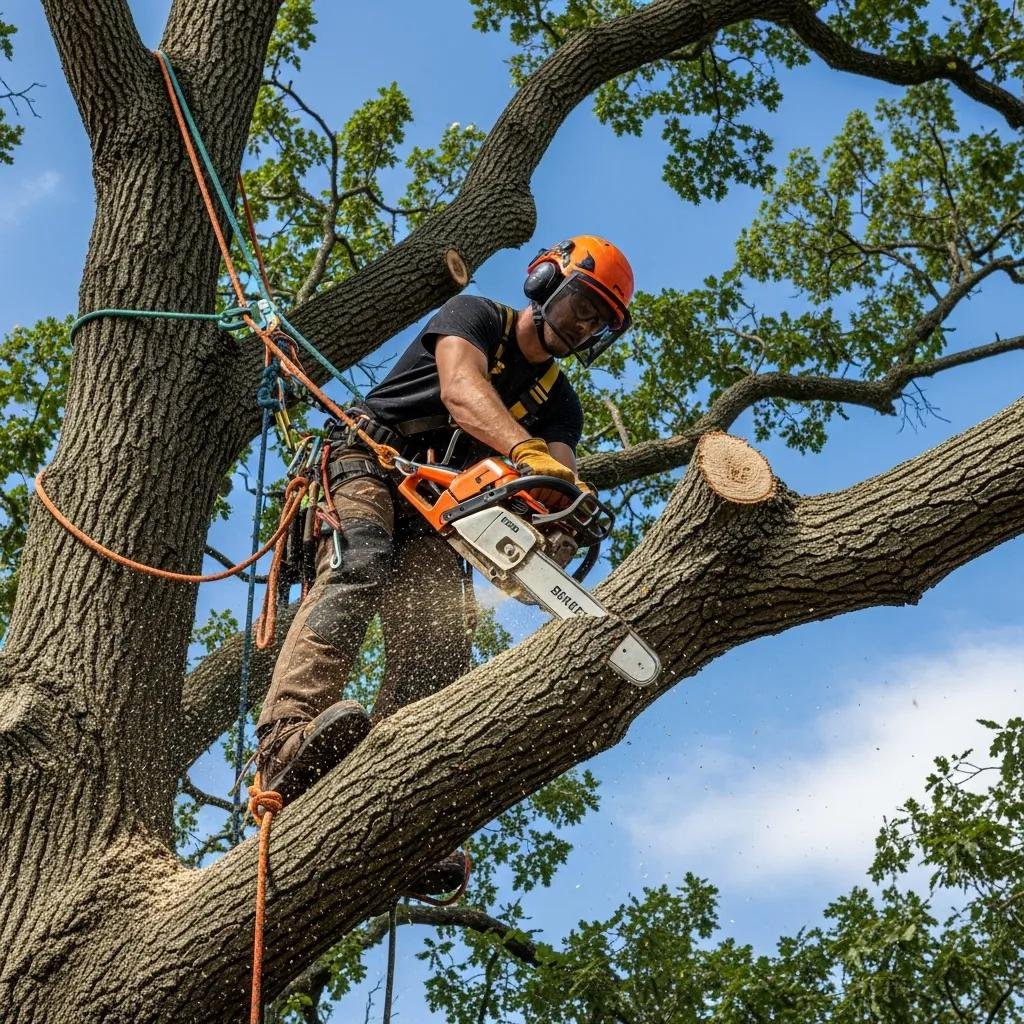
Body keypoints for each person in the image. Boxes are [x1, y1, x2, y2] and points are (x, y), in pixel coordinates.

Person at [255, 235, 634, 891]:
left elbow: (556, 482)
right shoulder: (475, 317)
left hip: (439, 512)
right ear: (545, 283)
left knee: (442, 638)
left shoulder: (561, 405)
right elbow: (462, 390)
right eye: (581, 304)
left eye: (598, 320)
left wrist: (554, 527)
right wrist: (525, 451)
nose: (583, 324)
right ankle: (284, 739)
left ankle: (391, 806)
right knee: (359, 563)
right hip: (370, 459)